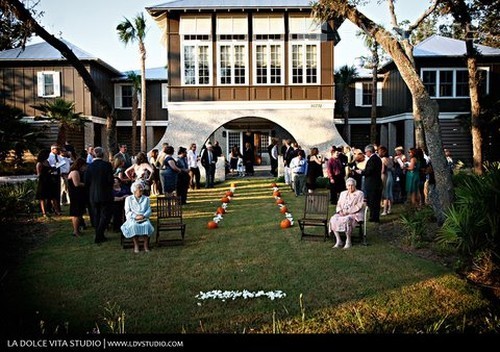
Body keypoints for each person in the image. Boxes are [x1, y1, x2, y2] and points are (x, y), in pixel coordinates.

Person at [85, 146, 114, 244]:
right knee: (105, 215)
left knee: (96, 215)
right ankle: (99, 235)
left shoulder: (89, 166)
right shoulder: (107, 165)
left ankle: (99, 234)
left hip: (93, 194)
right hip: (105, 193)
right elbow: (111, 180)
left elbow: (86, 181)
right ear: (103, 154)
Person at [329, 177, 365, 249]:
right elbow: (338, 204)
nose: (350, 187)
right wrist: (340, 211)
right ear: (346, 186)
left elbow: (359, 205)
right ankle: (338, 240)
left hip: (354, 214)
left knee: (347, 219)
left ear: (355, 185)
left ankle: (348, 241)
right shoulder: (343, 193)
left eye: (352, 185)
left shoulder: (359, 193)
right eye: (348, 185)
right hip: (342, 213)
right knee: (333, 219)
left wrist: (348, 212)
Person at [121, 181, 154, 253]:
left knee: (147, 225)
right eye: (139, 188)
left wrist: (143, 216)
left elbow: (149, 209)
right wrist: (135, 217)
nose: (141, 189)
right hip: (132, 219)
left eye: (142, 187)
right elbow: (127, 211)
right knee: (133, 225)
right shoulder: (128, 199)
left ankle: (145, 245)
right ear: (134, 190)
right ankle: (136, 245)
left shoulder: (146, 199)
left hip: (144, 218)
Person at [356, 144, 382, 222]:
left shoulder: (372, 159)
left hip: (372, 183)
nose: (365, 154)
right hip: (376, 182)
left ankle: (373, 217)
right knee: (375, 201)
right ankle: (374, 216)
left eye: (366, 152)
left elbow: (369, 171)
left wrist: (361, 172)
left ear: (369, 152)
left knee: (372, 201)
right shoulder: (377, 159)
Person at [67, 158, 87, 237]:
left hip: (78, 195)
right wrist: (87, 184)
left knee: (79, 213)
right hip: (76, 195)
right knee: (76, 213)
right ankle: (75, 231)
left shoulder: (76, 172)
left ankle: (77, 229)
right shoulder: (75, 172)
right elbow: (77, 184)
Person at [35, 149, 52, 217]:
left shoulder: (47, 162)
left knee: (48, 196)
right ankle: (44, 212)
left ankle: (49, 209)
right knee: (42, 197)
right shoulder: (39, 163)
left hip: (48, 180)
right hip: (42, 181)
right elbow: (38, 174)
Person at [47, 144, 62, 215]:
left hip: (57, 175)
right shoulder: (49, 157)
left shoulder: (58, 156)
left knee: (57, 192)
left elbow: (61, 163)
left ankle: (57, 207)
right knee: (52, 193)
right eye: (56, 149)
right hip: (52, 175)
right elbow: (49, 165)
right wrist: (55, 166)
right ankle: (51, 208)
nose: (57, 150)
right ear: (52, 149)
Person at [379, 146, 394, 216]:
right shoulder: (390, 159)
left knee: (385, 193)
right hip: (391, 175)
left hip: (385, 176)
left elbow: (382, 170)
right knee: (390, 192)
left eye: (380, 151)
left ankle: (384, 210)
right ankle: (390, 209)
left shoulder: (383, 159)